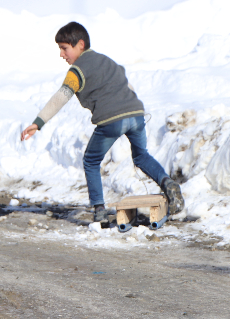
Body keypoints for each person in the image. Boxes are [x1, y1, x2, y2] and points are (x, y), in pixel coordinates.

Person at [20, 21, 184, 222]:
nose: (62, 55)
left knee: (91, 160)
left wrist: (38, 122)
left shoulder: (77, 70)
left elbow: (61, 96)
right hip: (136, 113)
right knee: (141, 156)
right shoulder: (108, 61)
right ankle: (167, 183)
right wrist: (132, 110)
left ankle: (99, 211)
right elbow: (127, 85)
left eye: (64, 48)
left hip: (112, 119)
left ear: (80, 44)